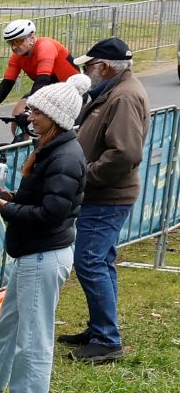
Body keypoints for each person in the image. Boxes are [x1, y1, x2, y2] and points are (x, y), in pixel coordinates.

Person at [0, 77, 85, 393]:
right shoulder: (51, 149)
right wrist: (13, 200)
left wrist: (8, 211)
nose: (29, 115)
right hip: (33, 252)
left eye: (36, 110)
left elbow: (51, 214)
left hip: (43, 254)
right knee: (9, 326)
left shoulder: (64, 157)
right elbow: (43, 202)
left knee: (33, 337)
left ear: (56, 116)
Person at [65, 37, 146, 363]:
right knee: (98, 262)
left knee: (90, 262)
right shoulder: (115, 91)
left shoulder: (123, 96)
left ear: (105, 67)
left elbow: (125, 152)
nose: (85, 71)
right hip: (105, 194)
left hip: (107, 196)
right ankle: (100, 328)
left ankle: (106, 338)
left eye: (89, 65)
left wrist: (87, 175)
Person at [0, 20, 79, 123]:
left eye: (17, 41)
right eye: (10, 43)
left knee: (52, 124)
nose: (13, 47)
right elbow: (6, 84)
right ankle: (20, 138)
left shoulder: (45, 47)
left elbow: (42, 80)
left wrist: (29, 110)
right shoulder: (17, 57)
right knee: (18, 113)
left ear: (32, 37)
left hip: (73, 90)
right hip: (49, 88)